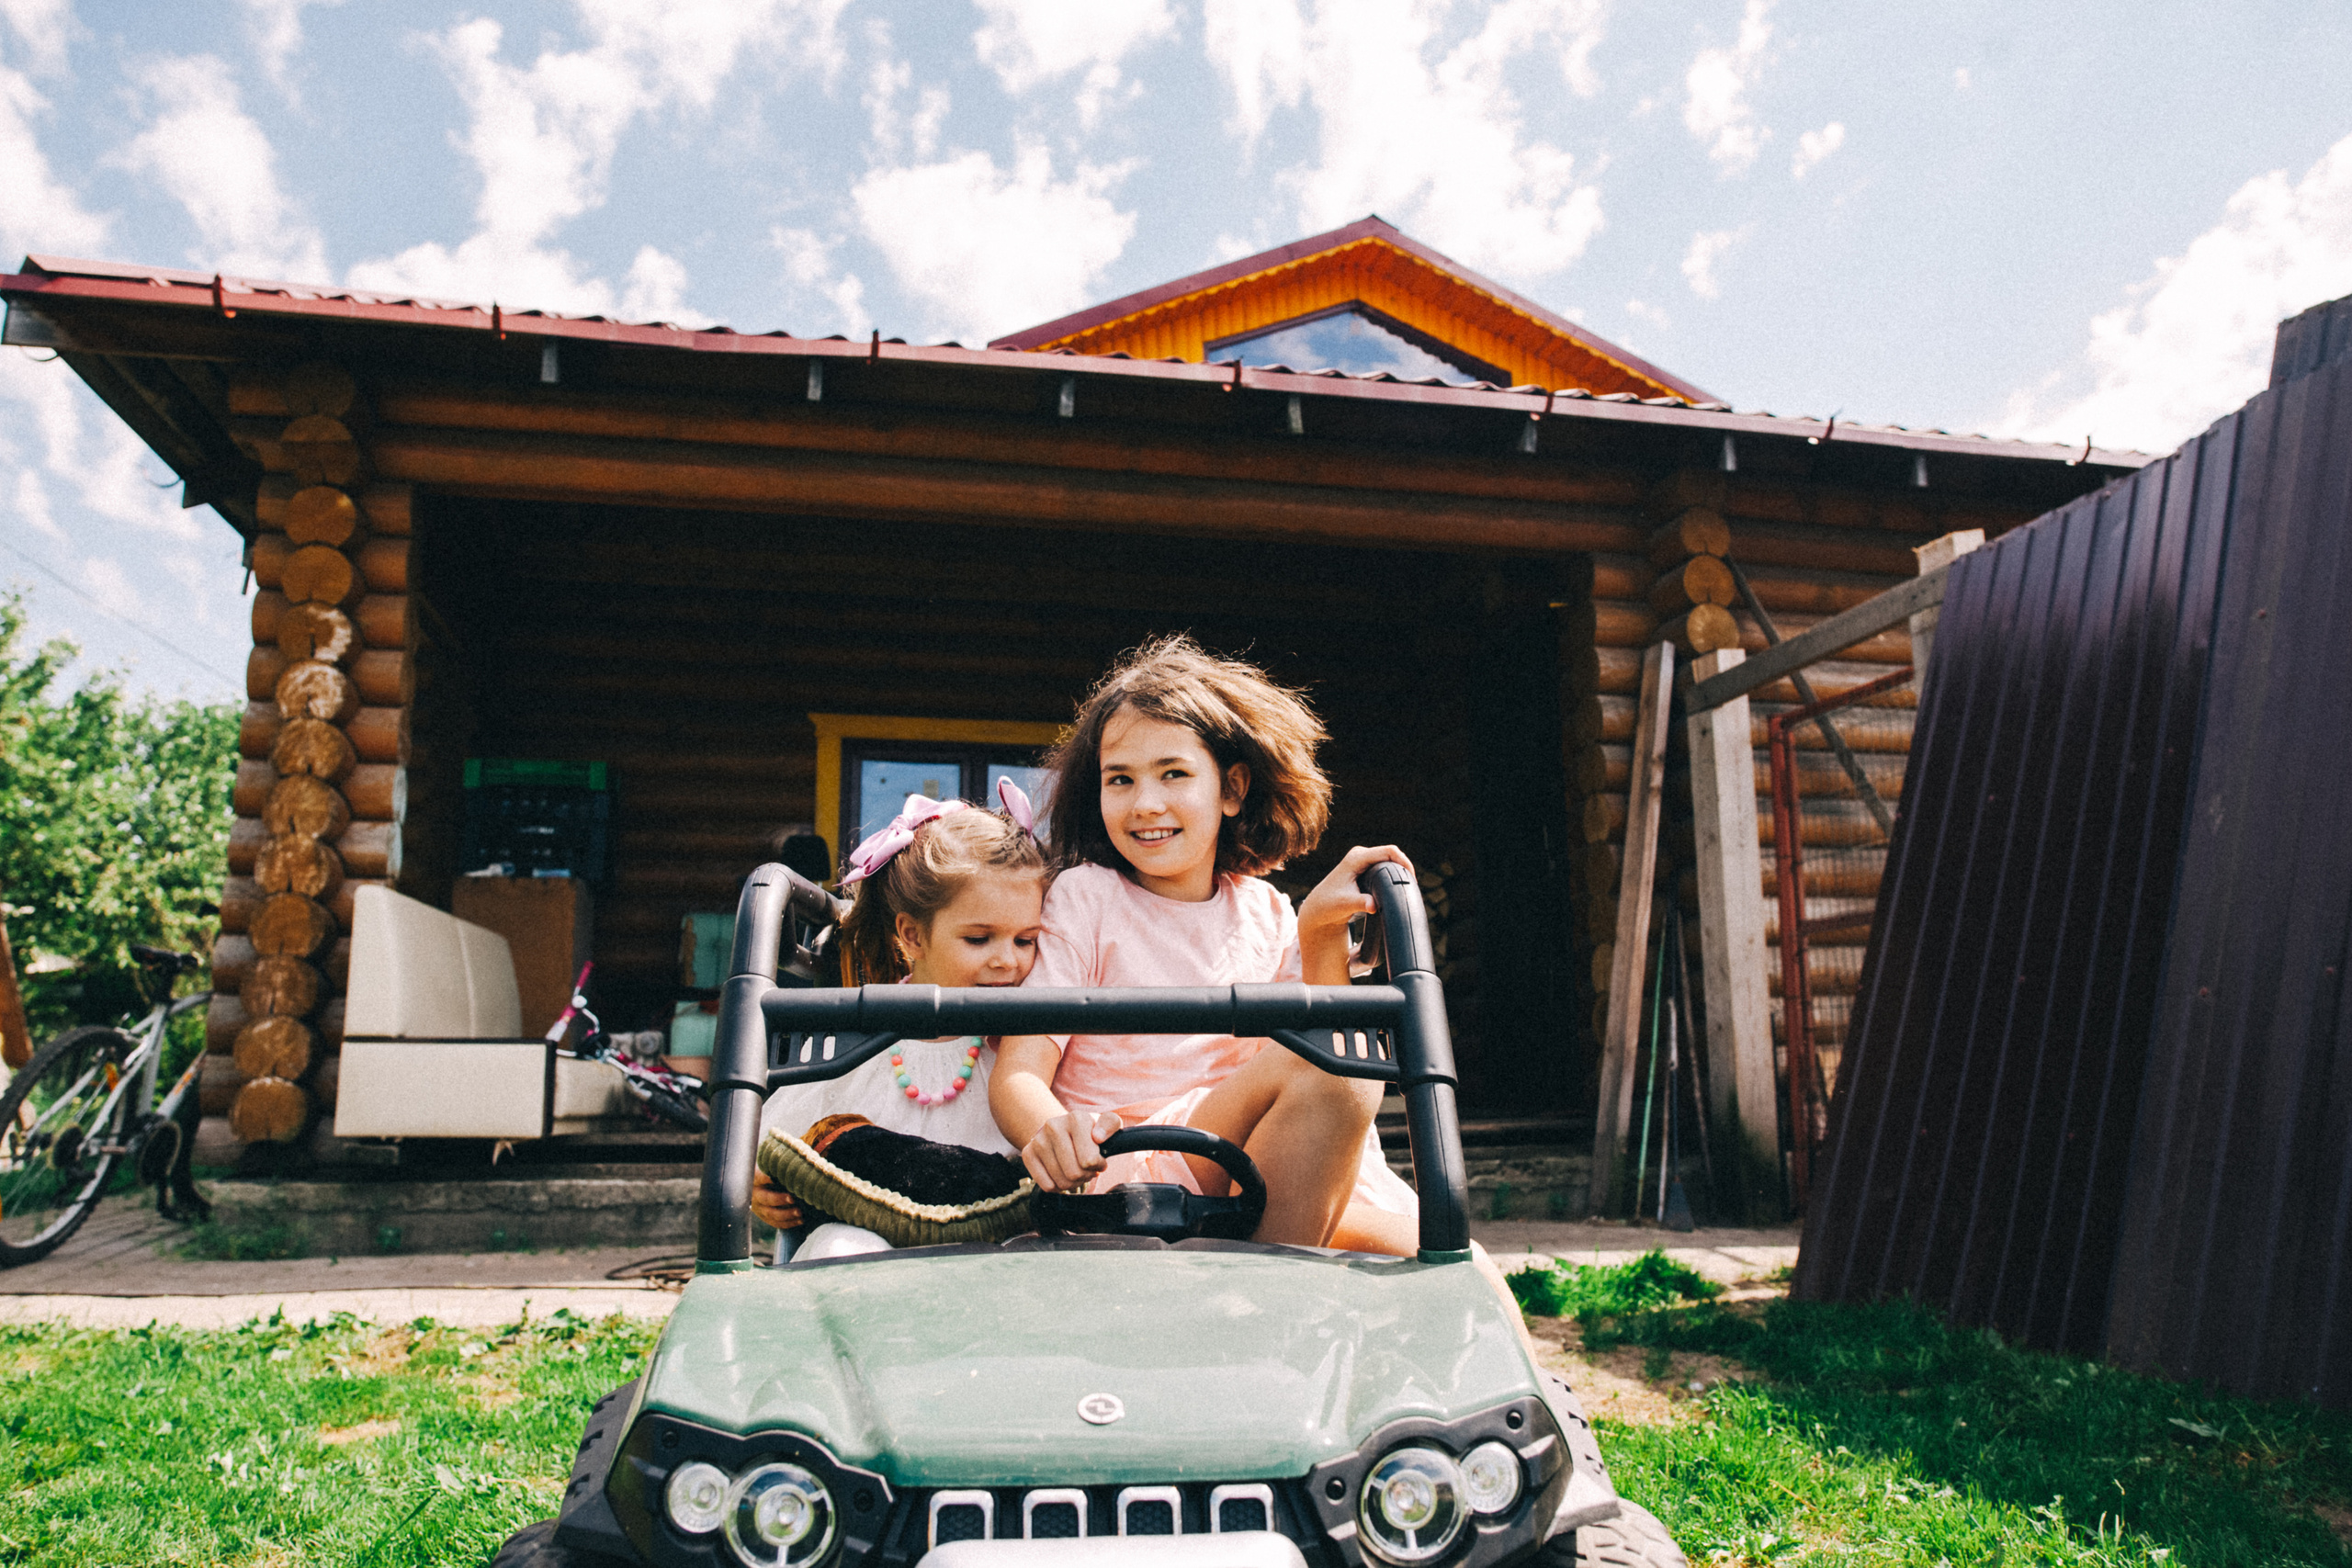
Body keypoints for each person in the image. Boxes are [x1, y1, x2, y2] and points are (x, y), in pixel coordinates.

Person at [989, 634, 1420, 1255]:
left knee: (1463, 1265)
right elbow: (1018, 1074)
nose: (1146, 802)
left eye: (1173, 773)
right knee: (1338, 1063)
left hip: (1246, 1167)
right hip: (1130, 1172)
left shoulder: (1265, 910)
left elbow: (1314, 1076)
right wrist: (1051, 1130)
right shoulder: (1086, 898)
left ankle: (1269, 1271)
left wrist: (1319, 930)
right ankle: (1260, 1301)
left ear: (1232, 788)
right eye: (1121, 779)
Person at [750, 783, 1047, 1258]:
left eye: (1024, 940)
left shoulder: (1024, 1050)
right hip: (868, 1246)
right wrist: (762, 1186)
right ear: (912, 935)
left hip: (992, 1247)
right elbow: (776, 1142)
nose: (1006, 962)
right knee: (839, 1247)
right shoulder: (855, 1036)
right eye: (978, 939)